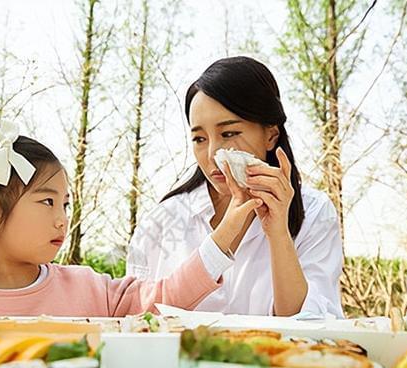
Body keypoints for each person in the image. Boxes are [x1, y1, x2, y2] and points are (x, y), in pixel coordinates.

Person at [0, 121, 262, 337]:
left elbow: (166, 296)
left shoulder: (89, 289)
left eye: (65, 204)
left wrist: (228, 229)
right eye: (47, 201)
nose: (62, 218)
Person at [127, 56, 344, 318]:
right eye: (199, 139)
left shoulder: (316, 213)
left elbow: (311, 328)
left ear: (271, 135)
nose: (212, 154)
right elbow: (134, 320)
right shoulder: (162, 223)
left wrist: (278, 234)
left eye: (229, 134)